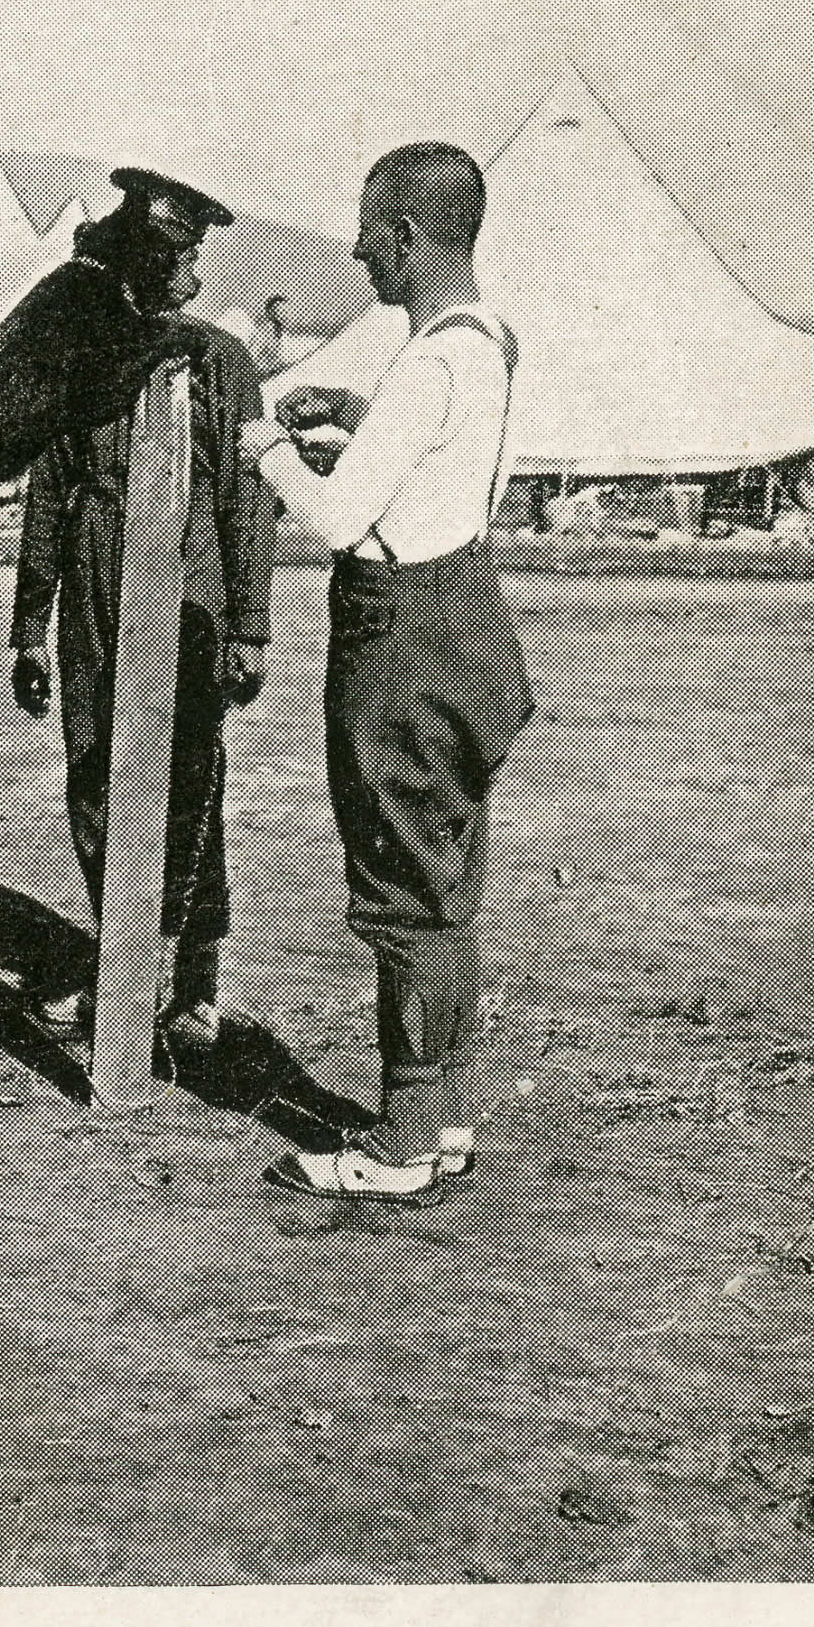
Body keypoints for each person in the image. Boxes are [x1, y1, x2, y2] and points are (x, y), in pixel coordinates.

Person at [242, 141, 532, 1204]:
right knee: (444, 884)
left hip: (401, 648)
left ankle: (403, 1144)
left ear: (406, 238)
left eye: (369, 233)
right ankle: (442, 1113)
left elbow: (332, 515)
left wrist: (259, 444)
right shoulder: (488, 340)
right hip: (468, 629)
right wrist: (358, 424)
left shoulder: (422, 361)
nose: (360, 253)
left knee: (399, 893)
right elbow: (437, 464)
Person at [10, 169, 271, 1055]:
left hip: (186, 583)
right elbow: (49, 491)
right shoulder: (79, 358)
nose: (173, 272)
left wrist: (250, 626)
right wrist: (29, 628)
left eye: (185, 256)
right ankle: (119, 963)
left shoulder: (221, 364)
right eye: (156, 257)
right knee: (95, 771)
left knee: (188, 779)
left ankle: (191, 978)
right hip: (92, 578)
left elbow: (244, 499)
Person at [249, 294, 289, 373]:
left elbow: (277, 354)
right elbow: (254, 356)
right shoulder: (264, 331)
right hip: (262, 373)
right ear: (270, 312)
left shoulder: (280, 329)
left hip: (274, 372)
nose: (283, 314)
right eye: (279, 310)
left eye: (285, 310)